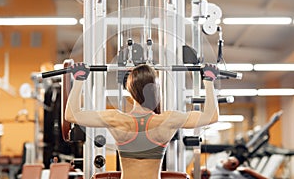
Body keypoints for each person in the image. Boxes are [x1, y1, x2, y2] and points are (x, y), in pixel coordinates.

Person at [65, 63, 220, 179]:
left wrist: (79, 79)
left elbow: (71, 115)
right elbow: (211, 116)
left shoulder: (117, 119)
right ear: (155, 90)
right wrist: (208, 82)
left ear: (131, 91)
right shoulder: (167, 120)